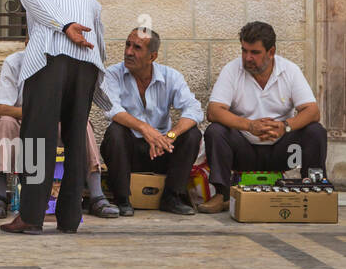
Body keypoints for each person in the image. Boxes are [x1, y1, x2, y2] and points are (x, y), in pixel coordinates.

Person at [2, 0, 119, 235]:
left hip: (49, 60)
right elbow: (99, 44)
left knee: (37, 138)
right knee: (76, 137)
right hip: (86, 64)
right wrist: (97, 86)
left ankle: (30, 217)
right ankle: (69, 218)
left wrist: (64, 25)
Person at [198, 22, 325, 214]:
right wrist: (249, 125)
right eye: (244, 50)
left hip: (284, 152)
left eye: (255, 52)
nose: (247, 57)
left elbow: (312, 111)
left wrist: (285, 126)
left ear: (271, 51)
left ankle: (312, 190)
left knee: (315, 131)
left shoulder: (289, 71)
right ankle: (222, 194)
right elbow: (214, 111)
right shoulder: (232, 70)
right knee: (215, 130)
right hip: (243, 151)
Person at [0, 46, 118, 220]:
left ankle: (96, 196)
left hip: (56, 122)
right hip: (23, 122)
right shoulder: (14, 62)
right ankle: (0, 196)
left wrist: (53, 115)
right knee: (4, 123)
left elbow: (74, 108)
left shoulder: (66, 63)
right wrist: (38, 113)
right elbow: (2, 108)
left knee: (82, 124)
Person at [100, 28, 204, 216]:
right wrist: (145, 128)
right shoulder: (112, 74)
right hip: (128, 152)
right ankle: (122, 199)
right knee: (115, 131)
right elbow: (111, 109)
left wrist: (170, 136)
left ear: (152, 56)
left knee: (192, 134)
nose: (128, 52)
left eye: (137, 48)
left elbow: (194, 109)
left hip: (162, 151)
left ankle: (172, 197)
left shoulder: (171, 76)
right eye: (128, 44)